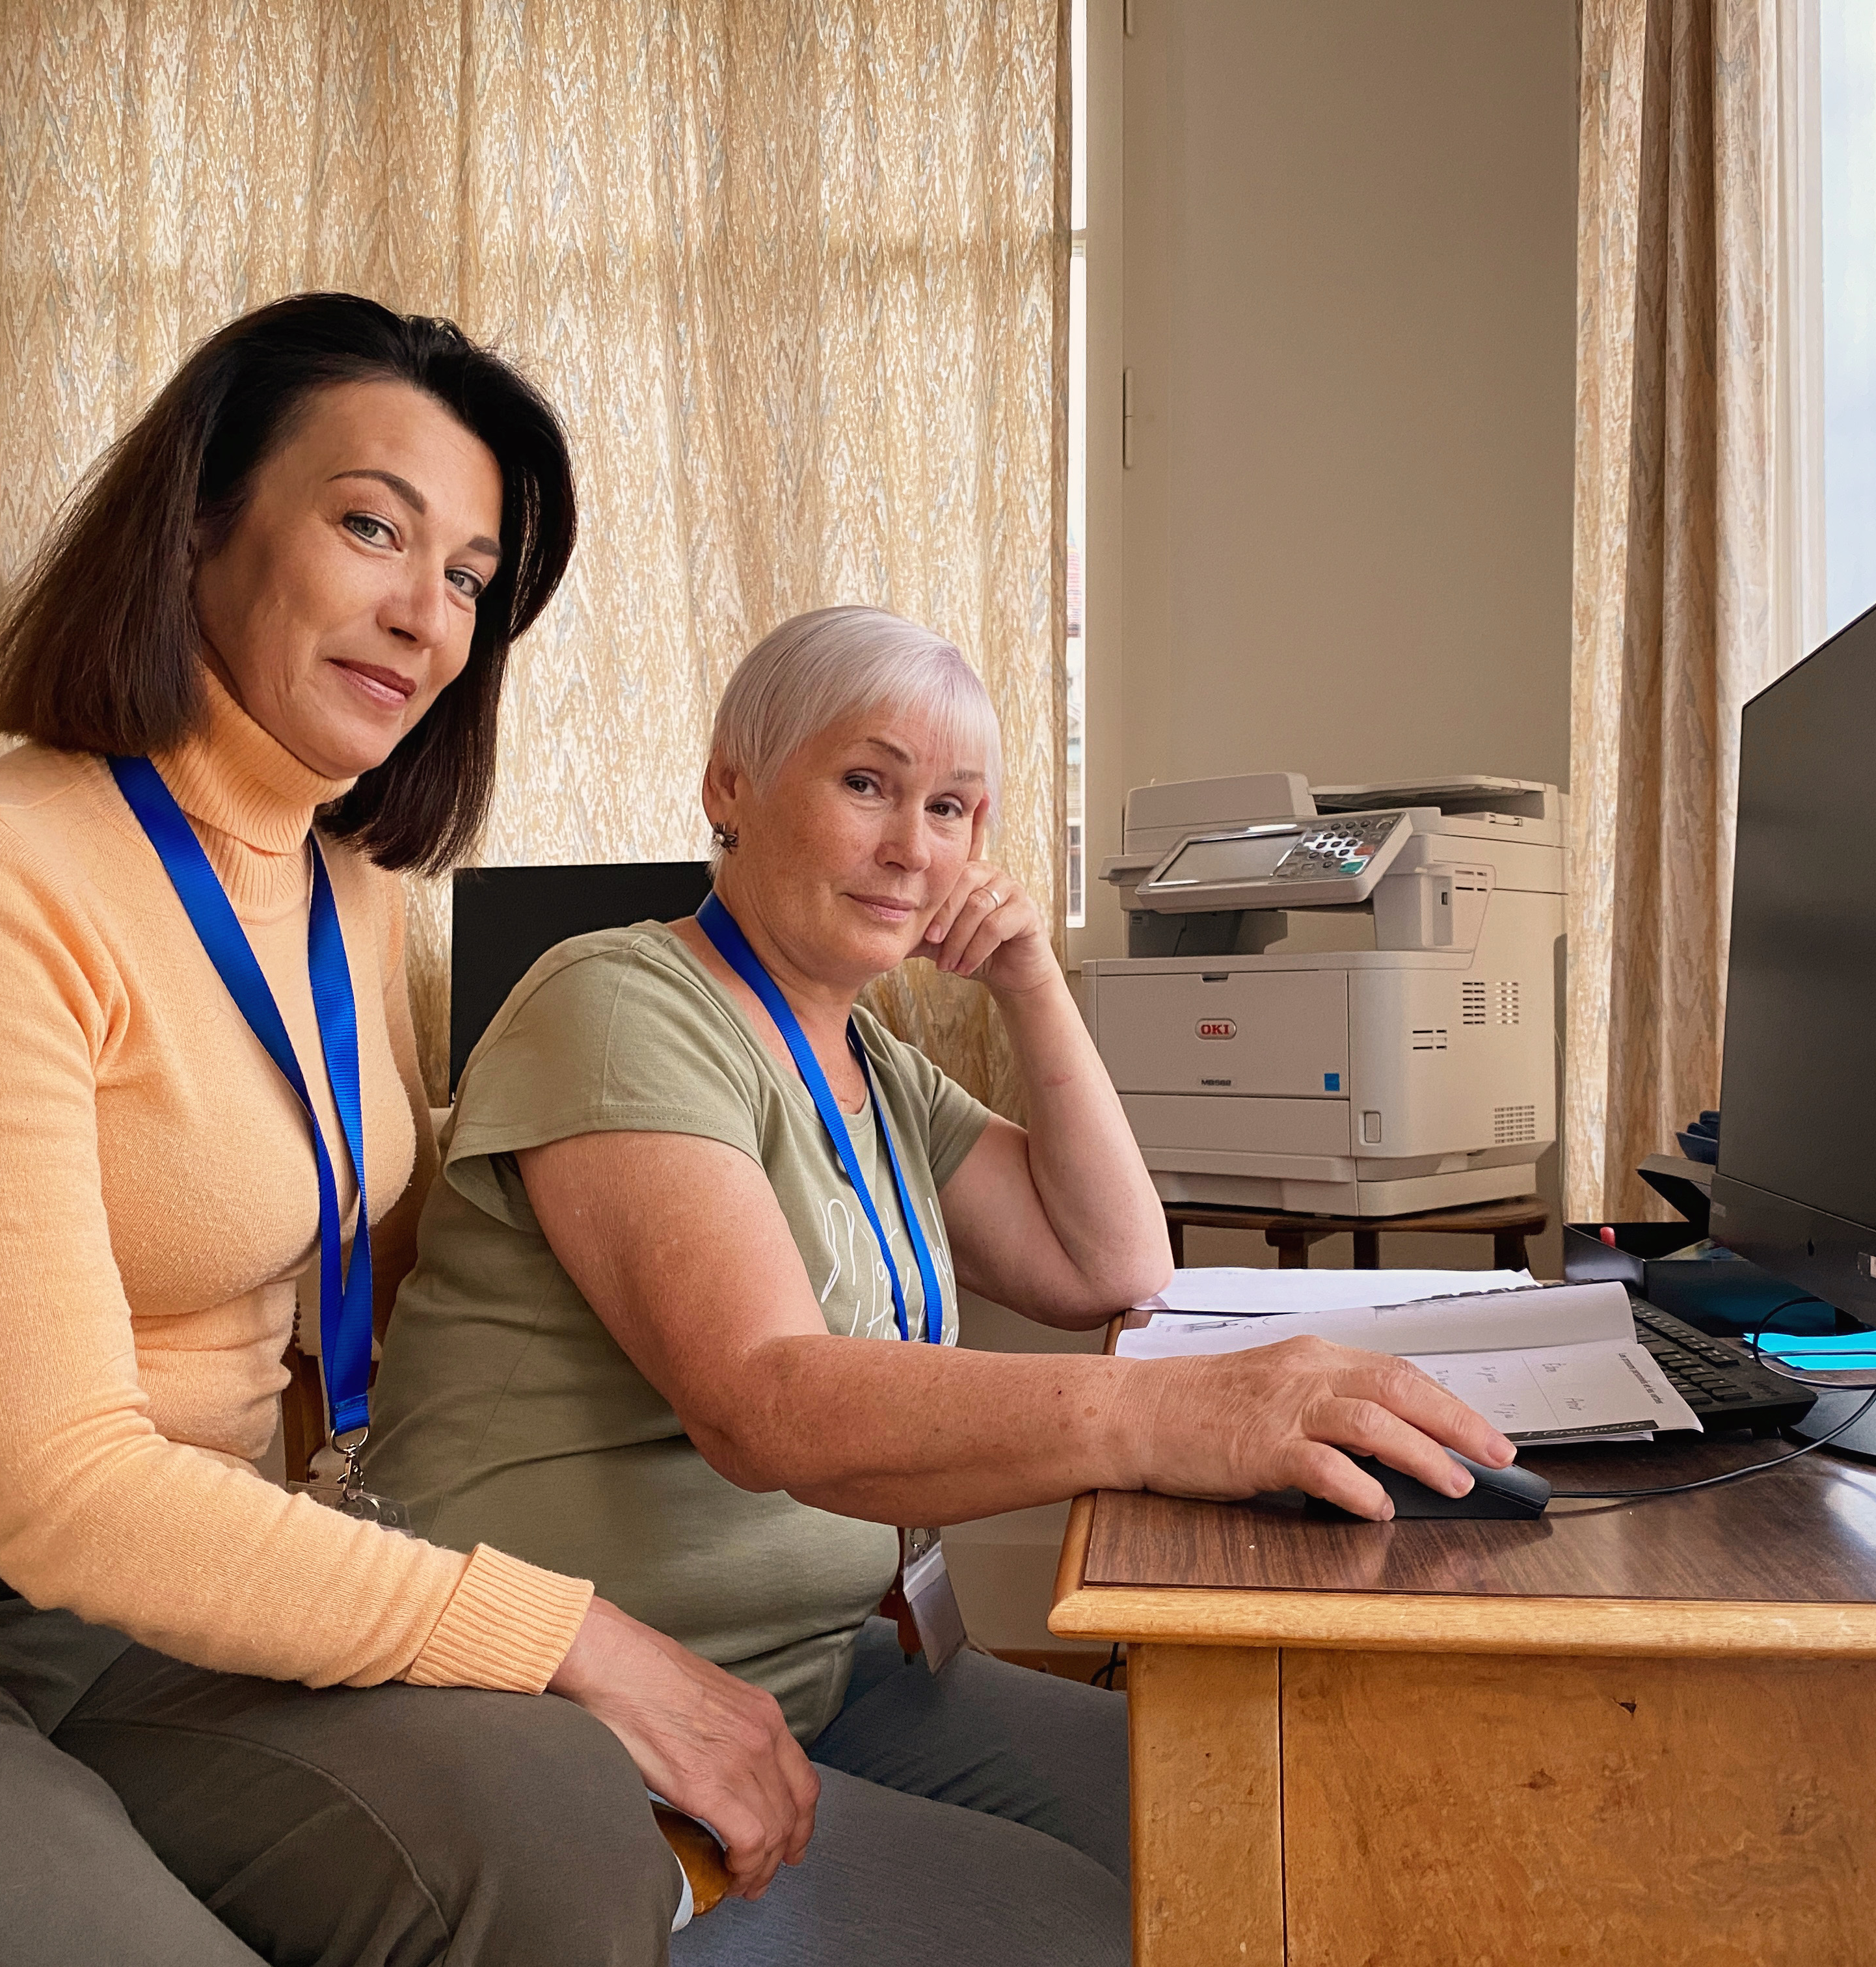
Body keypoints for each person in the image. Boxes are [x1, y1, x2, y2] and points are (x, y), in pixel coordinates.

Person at [0, 293, 817, 1967]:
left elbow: (348, 1259)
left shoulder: (351, 899)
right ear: (199, 520)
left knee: (551, 1827)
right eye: (373, 526)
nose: (428, 615)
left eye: (473, 578)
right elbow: (66, 1488)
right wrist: (577, 1634)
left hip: (132, 1611)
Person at [366, 604, 1521, 1966]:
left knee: (1278, 1823)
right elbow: (765, 1405)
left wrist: (1032, 980)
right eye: (869, 785)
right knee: (1111, 1933)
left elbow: (1115, 1267)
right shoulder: (615, 1003)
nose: (917, 847)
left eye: (956, 809)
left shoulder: (872, 1061)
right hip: (586, 1710)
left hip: (829, 1669)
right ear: (730, 785)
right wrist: (1172, 1424)